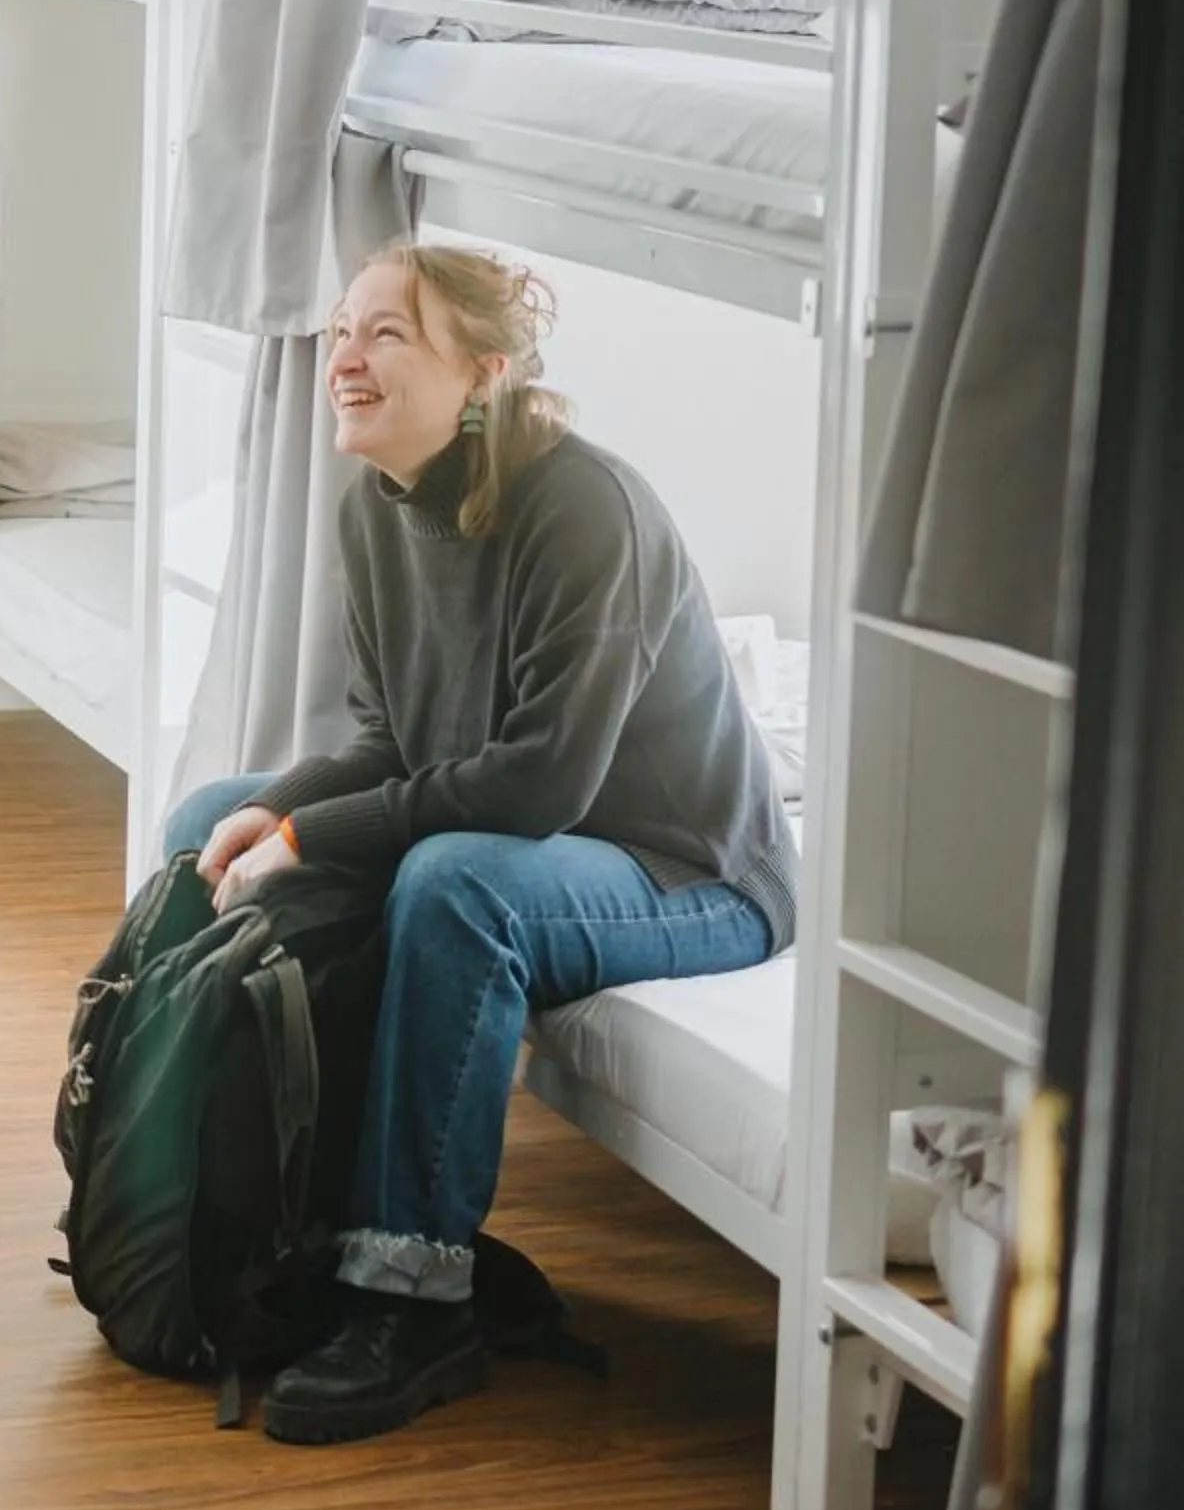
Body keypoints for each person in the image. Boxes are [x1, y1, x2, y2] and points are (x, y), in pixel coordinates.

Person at [168, 241, 797, 1447]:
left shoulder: (582, 507)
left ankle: (415, 1297)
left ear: (483, 372)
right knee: (204, 817)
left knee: (455, 885)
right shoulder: (377, 507)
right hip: (550, 841)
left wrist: (308, 830)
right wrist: (277, 811)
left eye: (387, 335)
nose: (344, 358)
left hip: (687, 871)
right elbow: (383, 740)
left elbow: (538, 786)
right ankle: (266, 1222)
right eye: (343, 330)